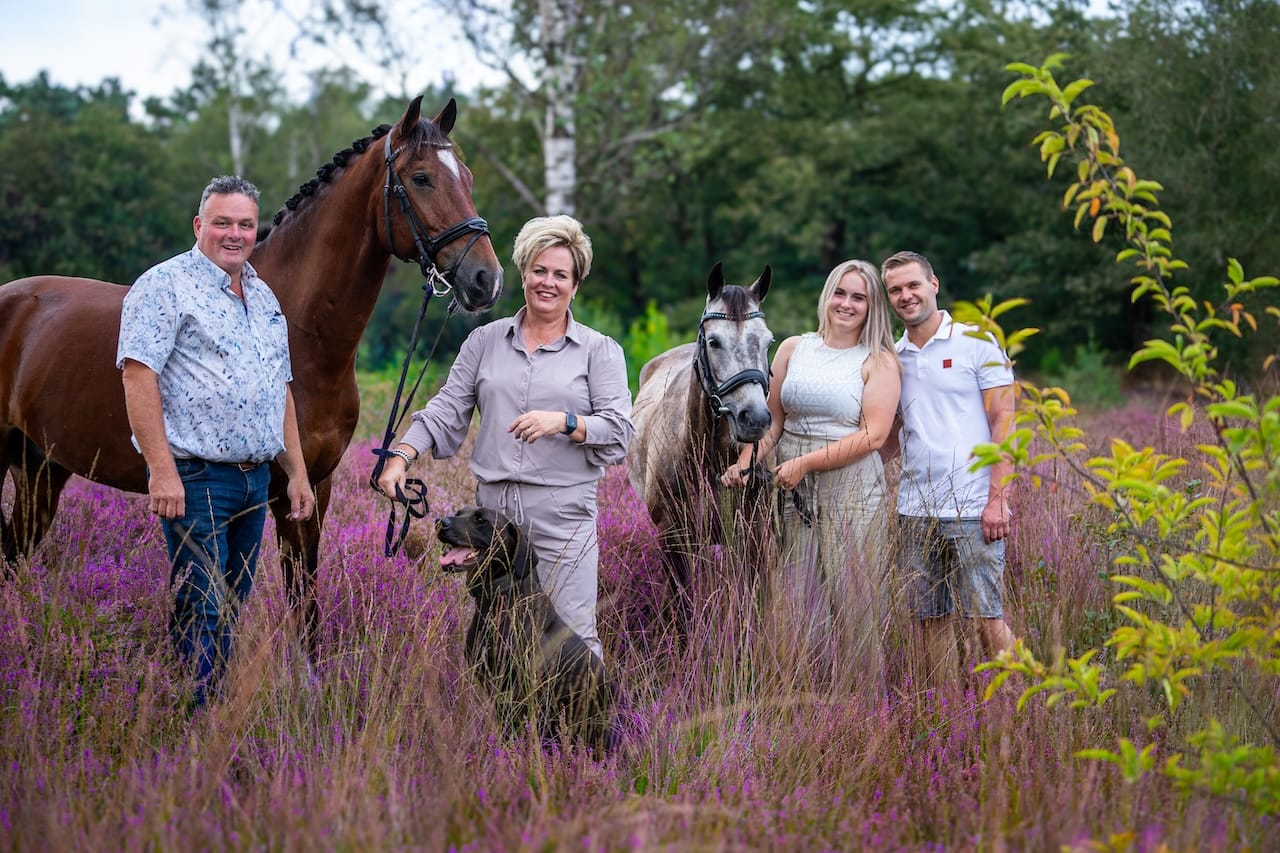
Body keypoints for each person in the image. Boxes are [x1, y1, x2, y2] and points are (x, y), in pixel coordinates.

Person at [376, 214, 633, 660]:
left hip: (561, 518)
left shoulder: (599, 351)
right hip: (491, 523)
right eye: (539, 270)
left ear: (576, 284)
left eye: (561, 275)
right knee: (497, 643)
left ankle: (582, 711)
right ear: (523, 272)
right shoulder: (485, 342)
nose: (547, 282)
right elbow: (445, 408)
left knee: (570, 643)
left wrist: (565, 422)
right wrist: (401, 456)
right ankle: (511, 712)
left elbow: (619, 431)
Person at [118, 175, 315, 708]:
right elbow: (138, 376)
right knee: (201, 602)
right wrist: (162, 471)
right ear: (198, 225)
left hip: (255, 479)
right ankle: (196, 721)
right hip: (197, 475)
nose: (235, 234)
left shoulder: (263, 295)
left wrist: (296, 472)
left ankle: (210, 706)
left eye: (245, 224)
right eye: (222, 222)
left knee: (230, 602)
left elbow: (279, 388)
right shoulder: (164, 286)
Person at [721, 259, 901, 689]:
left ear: (872, 306)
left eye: (858, 297)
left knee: (854, 602)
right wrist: (746, 462)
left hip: (851, 486)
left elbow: (874, 435)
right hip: (791, 487)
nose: (846, 304)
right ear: (827, 296)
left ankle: (862, 705)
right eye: (840, 293)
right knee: (797, 601)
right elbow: (774, 422)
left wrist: (805, 464)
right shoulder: (793, 348)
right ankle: (802, 703)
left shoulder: (878, 361)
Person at [880, 249, 1017, 688]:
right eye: (895, 290)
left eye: (913, 285)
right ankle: (945, 710)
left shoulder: (977, 341)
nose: (906, 296)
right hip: (914, 510)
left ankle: (1022, 705)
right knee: (927, 619)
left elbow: (1005, 421)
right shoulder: (892, 357)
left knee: (985, 617)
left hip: (973, 507)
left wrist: (997, 500)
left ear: (933, 284)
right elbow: (890, 434)